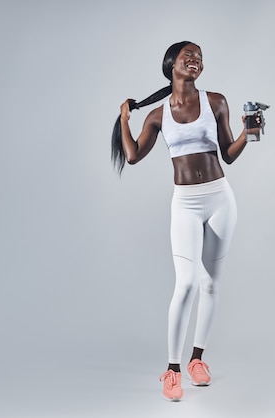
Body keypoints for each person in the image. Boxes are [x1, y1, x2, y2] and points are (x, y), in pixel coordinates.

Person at [111, 41, 263, 401]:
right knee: (186, 284)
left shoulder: (216, 102)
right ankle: (172, 369)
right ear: (172, 66)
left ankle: (197, 360)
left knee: (211, 284)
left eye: (199, 56)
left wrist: (250, 132)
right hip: (186, 204)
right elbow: (132, 156)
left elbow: (228, 154)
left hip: (221, 199)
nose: (195, 60)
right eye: (187, 56)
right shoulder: (159, 115)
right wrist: (123, 120)